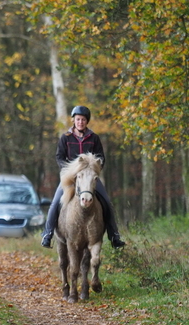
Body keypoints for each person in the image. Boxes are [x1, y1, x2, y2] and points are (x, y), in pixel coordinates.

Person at [41, 105, 126, 249]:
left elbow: (101, 158)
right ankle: (47, 234)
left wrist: (93, 170)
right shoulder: (65, 138)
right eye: (78, 119)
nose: (80, 122)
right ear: (73, 120)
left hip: (89, 178)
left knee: (106, 202)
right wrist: (70, 170)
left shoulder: (94, 138)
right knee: (55, 203)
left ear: (87, 121)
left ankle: (114, 236)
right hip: (70, 178)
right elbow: (59, 157)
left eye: (83, 120)